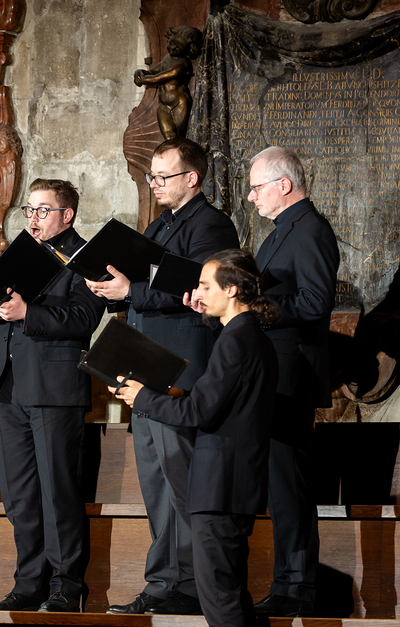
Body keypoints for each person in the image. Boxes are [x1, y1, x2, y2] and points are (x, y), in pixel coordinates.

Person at [87, 137, 238, 615]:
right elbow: (143, 284)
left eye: (162, 176)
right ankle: (163, 582)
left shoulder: (211, 224)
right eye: (151, 176)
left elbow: (196, 288)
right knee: (155, 481)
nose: (153, 184)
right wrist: (112, 289)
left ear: (192, 178)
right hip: (146, 365)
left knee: (181, 479)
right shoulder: (159, 224)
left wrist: (131, 291)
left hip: (179, 368)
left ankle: (193, 586)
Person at [113, 249, 279, 627]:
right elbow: (218, 404)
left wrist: (144, 398)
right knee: (229, 596)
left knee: (220, 601)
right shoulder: (248, 336)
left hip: (220, 486)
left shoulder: (236, 340)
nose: (197, 294)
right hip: (233, 484)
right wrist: (172, 394)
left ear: (231, 289)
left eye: (205, 286)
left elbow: (198, 413)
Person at [0, 179, 103, 613]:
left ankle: (67, 585)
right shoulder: (20, 253)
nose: (33, 218)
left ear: (67, 215)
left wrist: (27, 312)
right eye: (29, 210)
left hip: (53, 388)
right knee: (19, 495)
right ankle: (29, 583)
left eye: (43, 210)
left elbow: (84, 317)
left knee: (57, 492)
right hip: (9, 384)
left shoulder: (86, 258)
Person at [243, 146, 339, 617]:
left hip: (292, 374)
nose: (250, 197)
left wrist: (255, 309)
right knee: (279, 488)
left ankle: (298, 588)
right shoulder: (282, 232)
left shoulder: (311, 229)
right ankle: (286, 583)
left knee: (290, 487)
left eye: (256, 187)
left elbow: (317, 302)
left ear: (284, 184)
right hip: (274, 374)